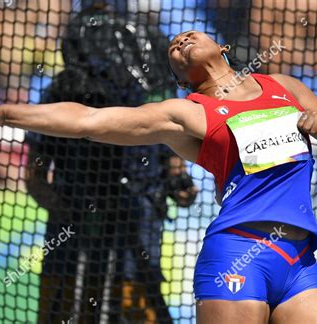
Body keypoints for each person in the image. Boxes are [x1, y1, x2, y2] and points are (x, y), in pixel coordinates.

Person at [0, 30, 317, 323]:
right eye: (173, 47)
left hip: (300, 259)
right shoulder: (189, 112)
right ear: (180, 77)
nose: (180, 40)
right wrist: (5, 114)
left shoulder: (284, 87)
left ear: (222, 47)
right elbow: (89, 120)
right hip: (239, 252)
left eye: (189, 35)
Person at [26, 6, 197, 323]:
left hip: (134, 221)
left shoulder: (153, 96)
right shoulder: (64, 91)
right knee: (68, 306)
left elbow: (174, 158)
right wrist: (67, 213)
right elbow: (35, 174)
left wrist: (178, 183)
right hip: (79, 226)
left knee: (132, 304)